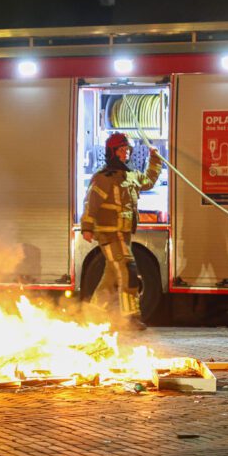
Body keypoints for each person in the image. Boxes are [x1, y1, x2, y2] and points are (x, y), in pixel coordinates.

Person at [81, 133, 163, 331]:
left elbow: (149, 180)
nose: (126, 152)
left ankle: (92, 316)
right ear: (112, 152)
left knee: (110, 277)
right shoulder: (103, 178)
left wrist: (155, 159)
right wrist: (87, 227)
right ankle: (131, 317)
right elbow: (91, 203)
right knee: (128, 270)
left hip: (123, 234)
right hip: (109, 234)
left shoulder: (130, 175)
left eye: (127, 149)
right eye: (122, 149)